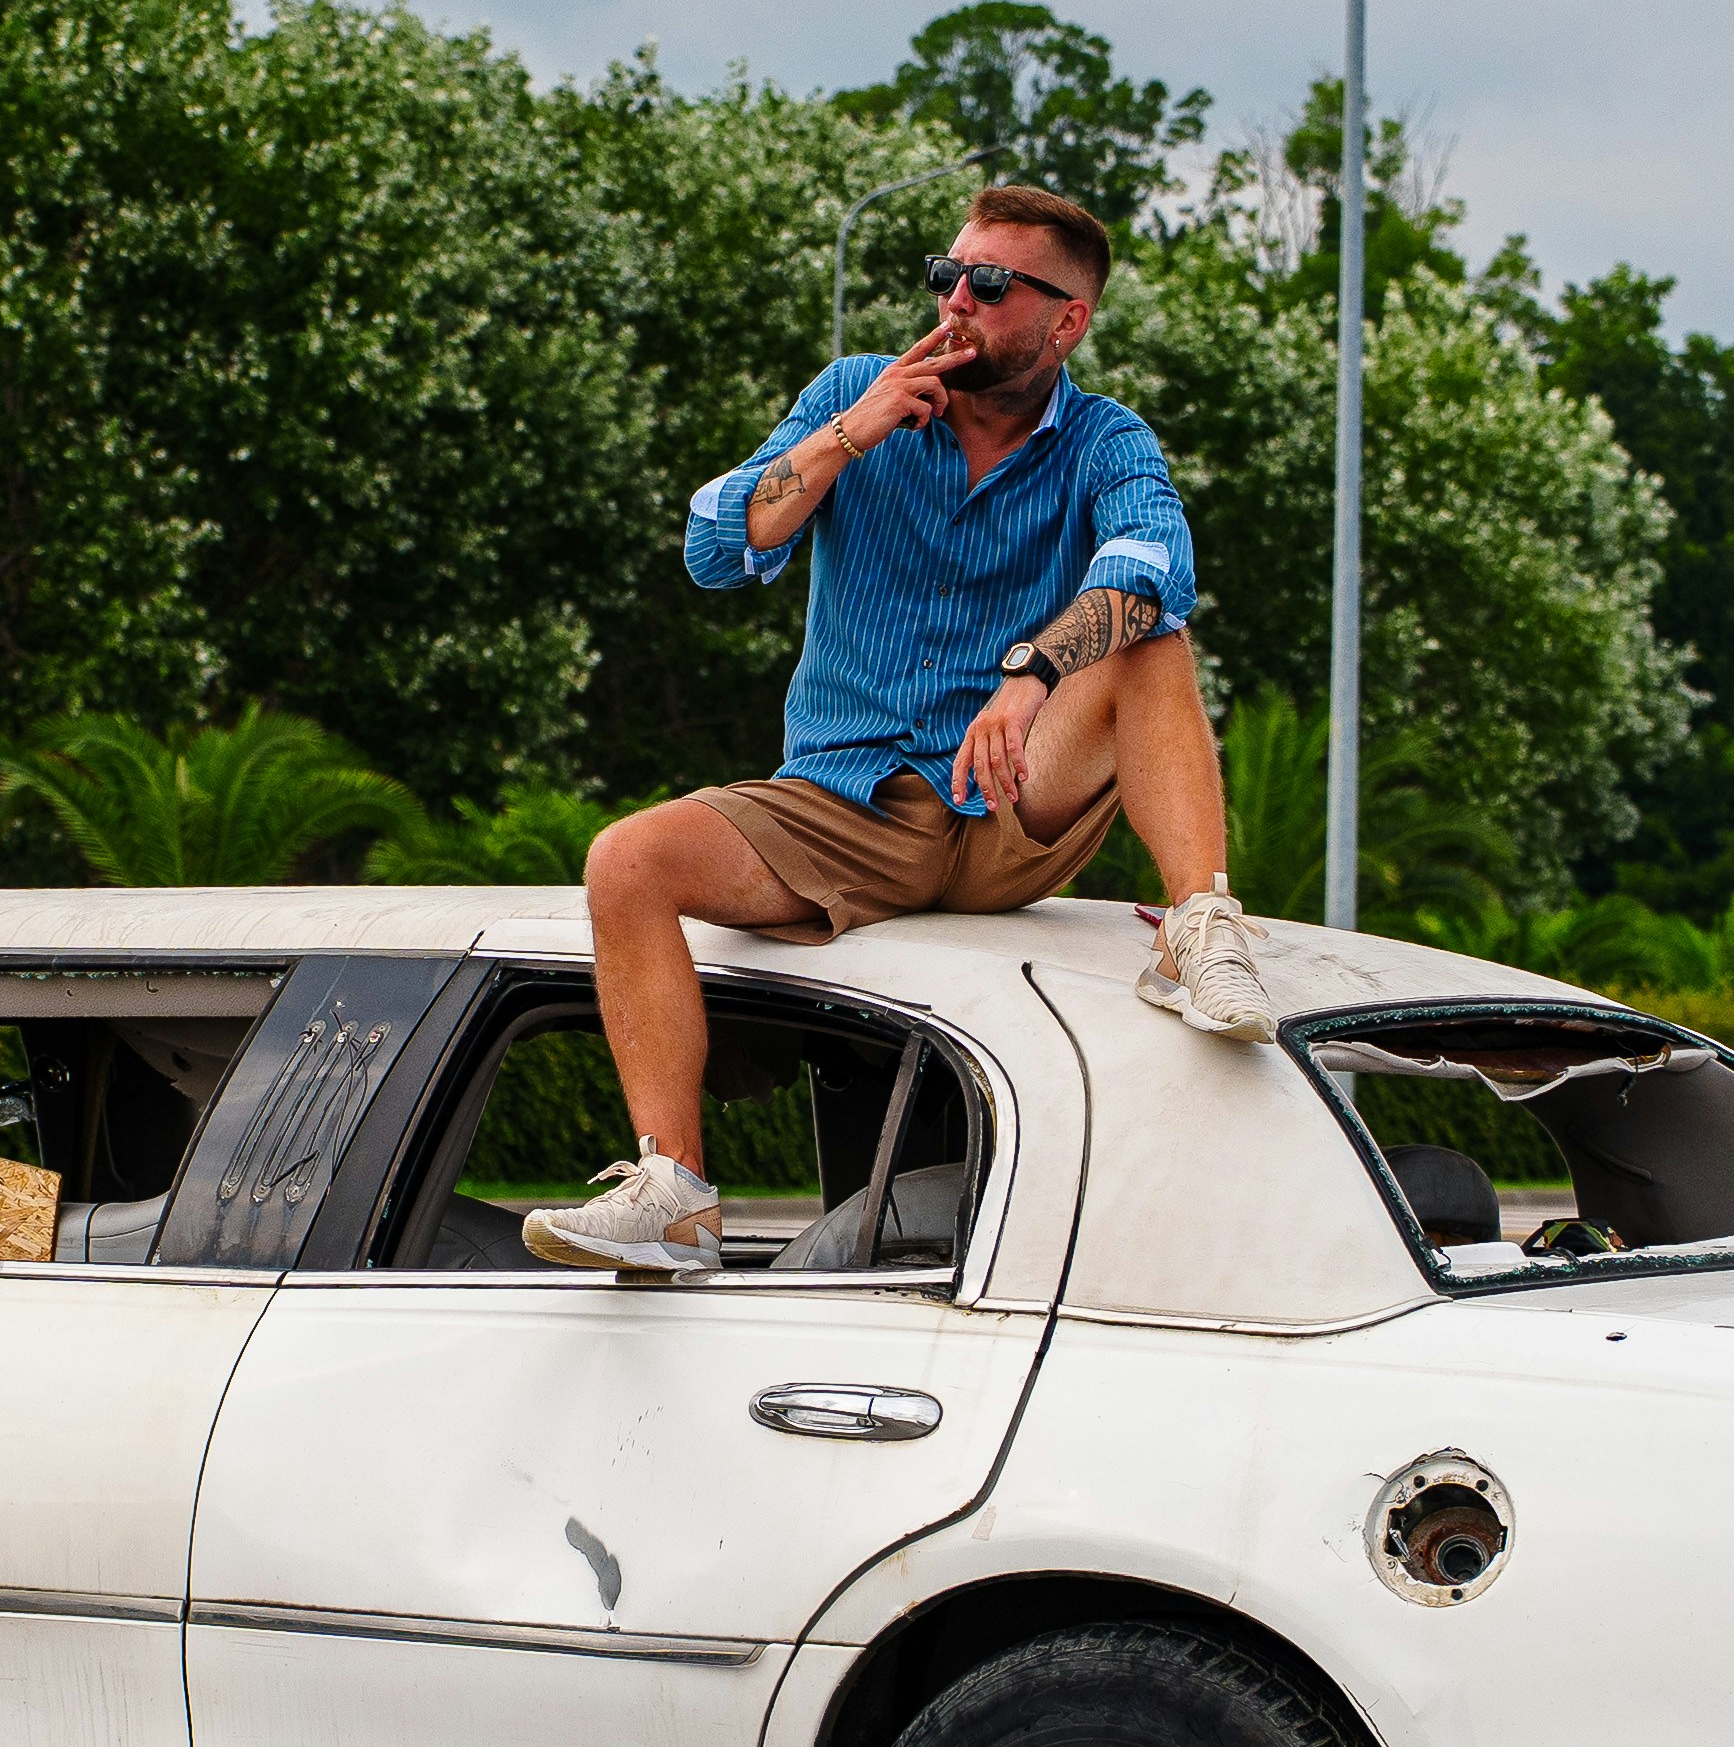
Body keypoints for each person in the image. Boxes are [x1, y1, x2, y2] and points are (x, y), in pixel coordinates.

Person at [523, 184, 1272, 1277]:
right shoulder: (852, 396)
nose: (957, 300)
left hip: (1012, 791)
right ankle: (674, 1192)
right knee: (626, 858)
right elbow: (715, 546)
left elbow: (1156, 567)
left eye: (992, 283)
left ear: (1066, 319)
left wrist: (1029, 672)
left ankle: (1201, 927)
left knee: (1150, 635)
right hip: (840, 804)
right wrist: (849, 431)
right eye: (948, 274)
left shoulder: (1106, 440)